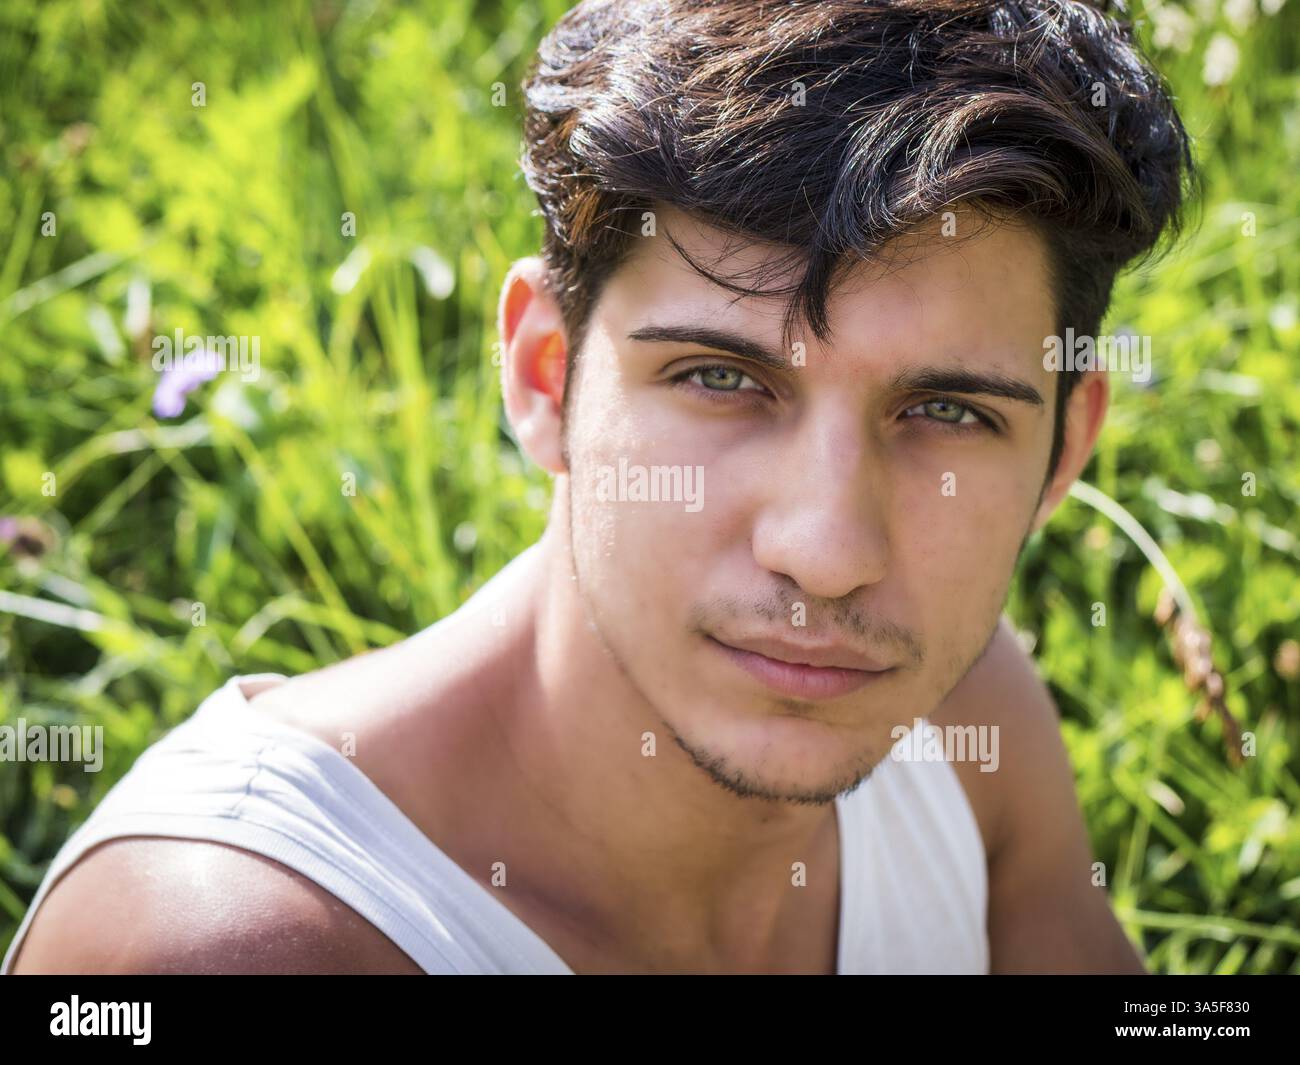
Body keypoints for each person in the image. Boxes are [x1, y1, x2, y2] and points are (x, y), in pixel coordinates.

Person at [5, 0, 1193, 975]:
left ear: (1063, 451)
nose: (827, 551)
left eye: (946, 412)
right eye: (721, 378)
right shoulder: (221, 942)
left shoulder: (967, 716)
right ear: (542, 373)